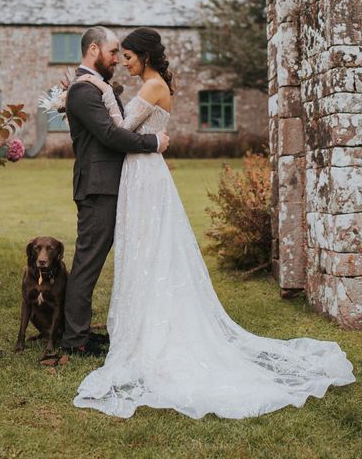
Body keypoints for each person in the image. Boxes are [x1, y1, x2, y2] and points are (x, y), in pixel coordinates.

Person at [73, 27, 355, 419]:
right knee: (144, 249)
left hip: (144, 172)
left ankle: (153, 334)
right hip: (142, 172)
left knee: (148, 248)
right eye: (119, 56)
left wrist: (102, 93)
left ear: (146, 58)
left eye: (129, 57)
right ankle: (142, 328)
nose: (123, 62)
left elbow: (118, 130)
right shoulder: (153, 85)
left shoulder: (153, 86)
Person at [61, 26, 169, 355]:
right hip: (98, 187)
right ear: (94, 50)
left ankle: (86, 331)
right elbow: (110, 134)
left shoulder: (98, 87)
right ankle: (75, 340)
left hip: (114, 183)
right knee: (88, 262)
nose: (116, 60)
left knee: (112, 259)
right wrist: (153, 142)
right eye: (112, 53)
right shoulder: (83, 90)